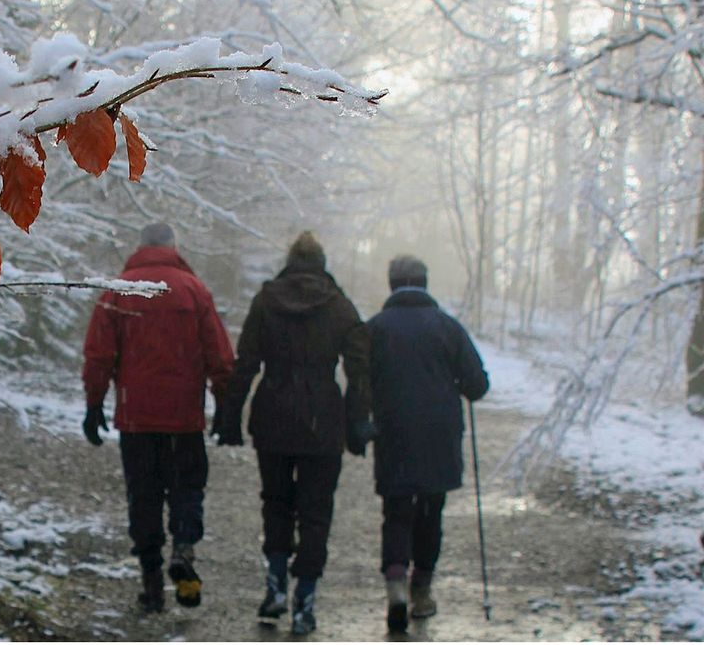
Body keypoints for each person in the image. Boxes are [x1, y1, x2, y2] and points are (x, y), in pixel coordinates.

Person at [213, 231, 373, 635]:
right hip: (323, 420)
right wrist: (357, 423)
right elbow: (359, 370)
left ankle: (275, 585)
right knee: (317, 511)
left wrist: (229, 416)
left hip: (273, 417)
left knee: (277, 502)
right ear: (322, 263)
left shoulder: (267, 301)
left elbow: (245, 361)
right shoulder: (339, 307)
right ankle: (305, 598)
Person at [81, 222, 234, 614]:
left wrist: (94, 403)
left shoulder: (120, 290)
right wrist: (225, 405)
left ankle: (151, 582)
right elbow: (219, 354)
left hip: (137, 418)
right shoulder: (193, 290)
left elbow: (99, 354)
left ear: (141, 246)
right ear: (173, 246)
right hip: (184, 418)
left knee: (143, 495)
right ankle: (183, 548)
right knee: (187, 488)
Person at [365, 254, 489, 633]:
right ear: (425, 283)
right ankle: (422, 590)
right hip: (439, 434)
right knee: (431, 513)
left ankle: (396, 586)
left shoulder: (375, 328)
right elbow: (478, 386)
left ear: (391, 284)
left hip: (394, 431)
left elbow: (358, 379)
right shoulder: (448, 328)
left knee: (397, 512)